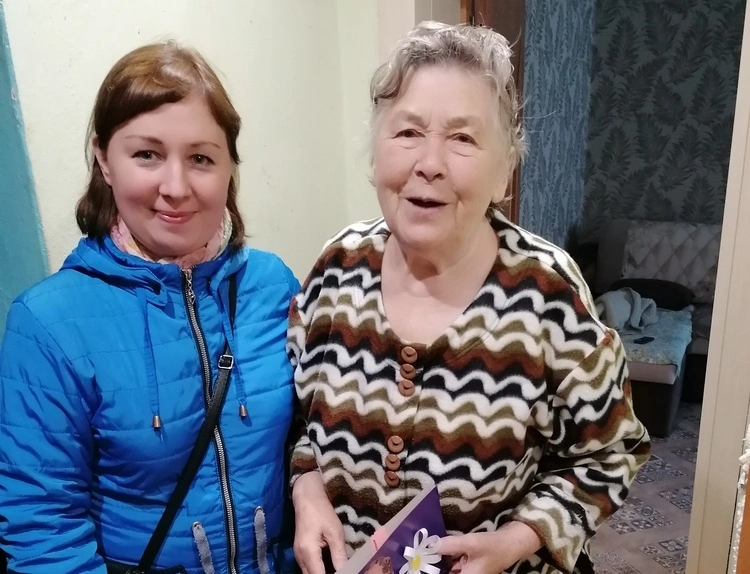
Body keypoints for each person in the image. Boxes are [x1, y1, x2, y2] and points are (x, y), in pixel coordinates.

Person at [288, 21, 650, 574]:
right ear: (375, 155)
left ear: (505, 172)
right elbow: (295, 416)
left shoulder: (548, 295)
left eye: (462, 138)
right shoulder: (336, 268)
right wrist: (307, 487)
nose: (429, 163)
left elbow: (611, 454)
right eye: (408, 132)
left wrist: (515, 541)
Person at [0, 42, 299, 574]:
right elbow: (44, 533)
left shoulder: (272, 285)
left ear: (229, 166)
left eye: (201, 158)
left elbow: (311, 436)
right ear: (104, 159)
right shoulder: (47, 324)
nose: (175, 188)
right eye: (147, 155)